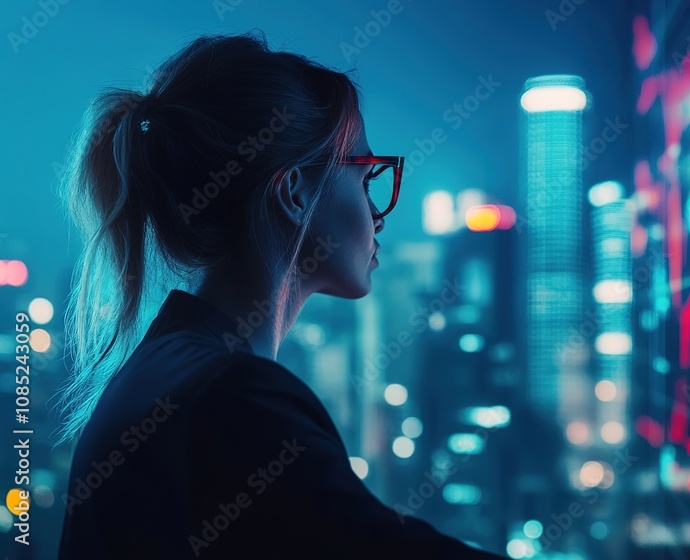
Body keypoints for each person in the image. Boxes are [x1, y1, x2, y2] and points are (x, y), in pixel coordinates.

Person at [55, 31, 507, 559]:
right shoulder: (236, 397)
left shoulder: (165, 368)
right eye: (364, 178)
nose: (378, 214)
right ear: (293, 192)